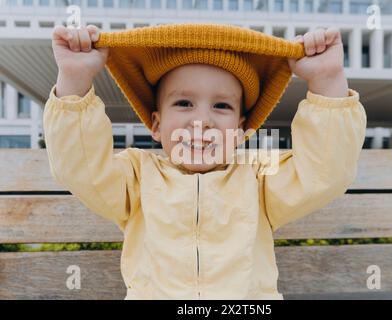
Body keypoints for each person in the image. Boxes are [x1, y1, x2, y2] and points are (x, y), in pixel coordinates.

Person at [43, 23, 367, 299]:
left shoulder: (260, 180)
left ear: (241, 131)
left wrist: (326, 82)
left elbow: (325, 172)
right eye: (184, 103)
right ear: (155, 124)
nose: (203, 120)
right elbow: (80, 166)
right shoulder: (136, 178)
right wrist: (74, 81)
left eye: (222, 106)